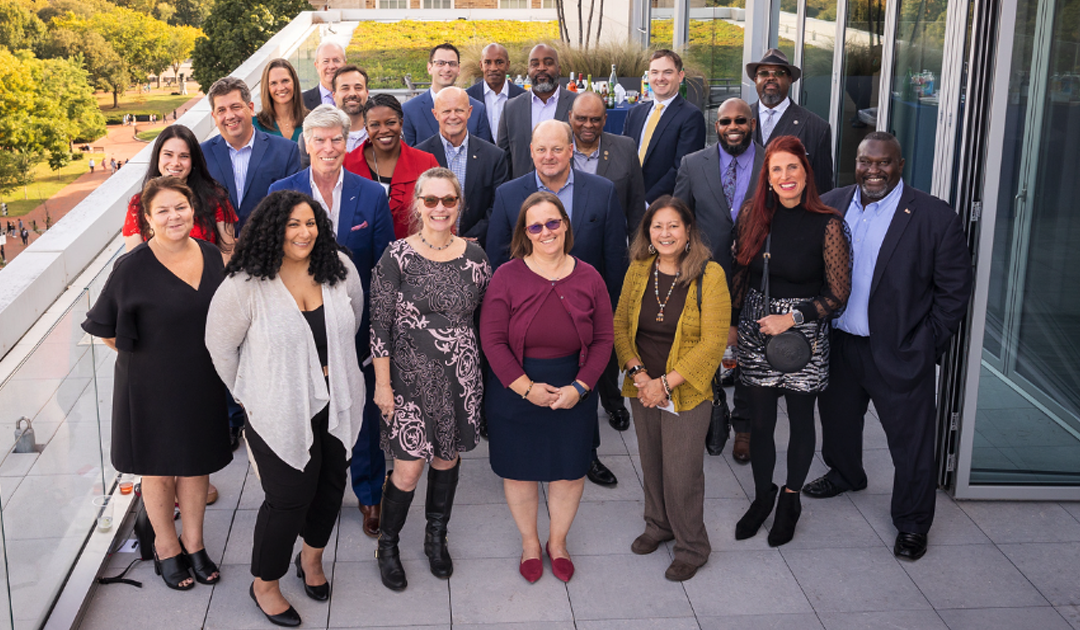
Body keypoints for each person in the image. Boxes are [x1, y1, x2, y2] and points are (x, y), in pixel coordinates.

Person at [804, 132, 972, 561]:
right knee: (838, 421)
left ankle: (913, 522)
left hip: (899, 348)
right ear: (855, 162)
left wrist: (927, 343)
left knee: (911, 442)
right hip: (840, 342)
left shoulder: (935, 216)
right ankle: (845, 473)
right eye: (865, 162)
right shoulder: (832, 202)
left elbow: (953, 291)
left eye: (884, 163)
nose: (873, 171)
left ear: (900, 165)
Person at [205, 190, 366, 627]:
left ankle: (310, 560)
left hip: (338, 401)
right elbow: (220, 346)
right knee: (288, 498)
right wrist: (248, 392)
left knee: (332, 486)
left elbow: (353, 318)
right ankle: (265, 583)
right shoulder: (246, 286)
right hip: (275, 407)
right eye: (293, 224)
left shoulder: (339, 269)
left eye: (310, 223)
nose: (303, 232)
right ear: (274, 229)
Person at [82, 177, 231, 591]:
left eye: (180, 207)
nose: (173, 216)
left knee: (197, 464)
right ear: (148, 219)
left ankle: (194, 542)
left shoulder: (210, 255)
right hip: (150, 385)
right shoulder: (131, 268)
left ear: (192, 209)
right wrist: (149, 364)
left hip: (201, 379)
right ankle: (166, 547)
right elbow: (105, 329)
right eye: (162, 210)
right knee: (160, 469)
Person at [269, 105, 396, 540]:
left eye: (336, 139)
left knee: (359, 411)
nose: (328, 148)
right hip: (299, 324)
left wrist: (378, 332)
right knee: (307, 413)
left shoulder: (372, 194)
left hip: (354, 326)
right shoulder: (281, 192)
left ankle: (368, 493)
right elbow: (270, 261)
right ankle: (312, 493)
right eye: (319, 139)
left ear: (349, 142)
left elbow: (383, 268)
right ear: (305, 143)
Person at [481, 191, 614, 584]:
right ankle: (529, 543)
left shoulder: (590, 276)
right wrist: (526, 389)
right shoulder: (506, 275)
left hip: (573, 390)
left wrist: (581, 386)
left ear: (565, 224)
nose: (545, 232)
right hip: (516, 390)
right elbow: (492, 340)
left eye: (552, 222)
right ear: (526, 232)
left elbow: (605, 338)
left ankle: (557, 542)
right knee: (519, 473)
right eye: (535, 226)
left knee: (570, 473)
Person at [368, 168, 492, 591]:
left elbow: (486, 320)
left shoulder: (476, 258)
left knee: (447, 458)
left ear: (460, 205)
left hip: (460, 376)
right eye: (431, 200)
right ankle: (387, 546)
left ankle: (435, 539)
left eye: (448, 200)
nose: (440, 208)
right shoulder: (396, 256)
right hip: (406, 379)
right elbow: (379, 326)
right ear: (417, 204)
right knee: (407, 470)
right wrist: (382, 385)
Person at [487, 120, 628, 487]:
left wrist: (608, 318)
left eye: (556, 149)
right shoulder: (507, 194)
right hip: (526, 316)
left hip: (585, 316)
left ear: (571, 151)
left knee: (583, 394)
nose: (548, 156)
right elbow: (497, 257)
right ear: (530, 152)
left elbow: (614, 258)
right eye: (541, 149)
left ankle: (588, 454)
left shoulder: (602, 191)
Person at [730, 135, 851, 547]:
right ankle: (763, 494)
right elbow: (739, 274)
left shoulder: (829, 223)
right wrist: (732, 325)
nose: (785, 177)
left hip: (805, 336)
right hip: (757, 329)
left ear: (805, 173)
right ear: (767, 176)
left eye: (792, 168)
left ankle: (790, 499)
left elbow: (838, 295)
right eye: (776, 169)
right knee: (760, 423)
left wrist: (792, 318)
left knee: (801, 422)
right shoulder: (752, 215)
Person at [613, 196, 728, 581]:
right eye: (657, 226)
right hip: (643, 385)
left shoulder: (709, 275)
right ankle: (658, 524)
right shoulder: (639, 270)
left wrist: (665, 384)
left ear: (688, 231)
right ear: (648, 233)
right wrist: (640, 376)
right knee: (652, 462)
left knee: (682, 472)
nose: (665, 233)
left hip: (687, 391)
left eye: (673, 226)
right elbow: (620, 327)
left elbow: (712, 343)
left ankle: (692, 547)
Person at [674, 97, 764, 463]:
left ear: (752, 124)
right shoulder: (693, 164)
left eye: (740, 121)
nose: (732, 127)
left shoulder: (772, 163)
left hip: (758, 277)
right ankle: (712, 417)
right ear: (717, 126)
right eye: (725, 121)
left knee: (750, 356)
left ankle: (744, 428)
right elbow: (681, 220)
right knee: (706, 351)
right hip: (705, 278)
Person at [201, 77, 302, 235]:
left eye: (236, 107)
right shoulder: (201, 155)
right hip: (218, 254)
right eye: (222, 110)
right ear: (214, 117)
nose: (229, 116)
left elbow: (295, 208)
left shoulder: (286, 151)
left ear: (251, 108)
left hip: (269, 252)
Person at [122, 125, 237, 257]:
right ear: (157, 156)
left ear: (193, 161)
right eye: (168, 155)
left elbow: (227, 254)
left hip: (208, 276)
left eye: (184, 156)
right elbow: (134, 260)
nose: (175, 163)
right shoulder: (138, 204)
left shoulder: (215, 198)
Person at [415, 87, 509, 247]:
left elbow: (499, 204)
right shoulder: (419, 155)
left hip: (478, 247)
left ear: (469, 111)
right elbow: (416, 203)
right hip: (431, 246)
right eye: (446, 111)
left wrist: (470, 237)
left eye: (459, 110)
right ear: (435, 114)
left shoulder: (494, 156)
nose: (453, 117)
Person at [344, 94, 440, 239]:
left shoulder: (426, 163)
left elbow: (442, 212)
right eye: (375, 125)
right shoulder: (348, 165)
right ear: (366, 128)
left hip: (414, 255)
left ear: (401, 123)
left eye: (390, 122)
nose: (383, 130)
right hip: (361, 257)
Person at [622, 50, 706, 204]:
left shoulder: (691, 116)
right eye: (654, 72)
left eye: (667, 72)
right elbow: (623, 156)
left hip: (662, 205)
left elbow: (681, 169)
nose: (660, 78)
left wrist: (646, 202)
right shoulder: (635, 113)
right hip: (628, 202)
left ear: (680, 76)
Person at [747, 49, 834, 194]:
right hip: (746, 213)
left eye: (779, 73)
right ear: (756, 79)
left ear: (790, 80)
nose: (771, 78)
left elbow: (823, 189)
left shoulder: (816, 127)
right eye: (764, 73)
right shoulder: (738, 121)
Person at [570, 91, 647, 239]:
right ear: (570, 117)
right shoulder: (556, 150)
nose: (588, 125)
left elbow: (636, 209)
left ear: (605, 120)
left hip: (612, 246)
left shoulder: (625, 148)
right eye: (581, 119)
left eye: (595, 119)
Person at [497, 43, 577, 179]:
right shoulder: (511, 108)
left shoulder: (576, 104)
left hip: (566, 190)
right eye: (535, 64)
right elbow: (503, 159)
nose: (541, 68)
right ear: (528, 70)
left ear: (559, 69)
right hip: (524, 194)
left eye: (548, 63)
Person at [402, 43, 492, 146]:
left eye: (452, 64)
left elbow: (485, 154)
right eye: (440, 63)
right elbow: (408, 156)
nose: (447, 69)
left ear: (458, 69)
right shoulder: (409, 110)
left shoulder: (477, 109)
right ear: (429, 67)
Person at [466, 42, 525, 145]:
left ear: (507, 65)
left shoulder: (522, 97)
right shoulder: (468, 97)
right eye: (487, 62)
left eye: (499, 62)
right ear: (481, 65)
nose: (493, 68)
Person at [253, 58, 308, 142]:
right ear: (266, 88)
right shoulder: (255, 125)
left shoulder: (311, 120)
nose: (281, 88)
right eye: (273, 83)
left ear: (294, 82)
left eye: (285, 81)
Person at [303, 41, 347, 110]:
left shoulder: (356, 99)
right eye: (326, 61)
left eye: (336, 60)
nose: (331, 66)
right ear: (317, 66)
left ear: (345, 64)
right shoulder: (301, 102)